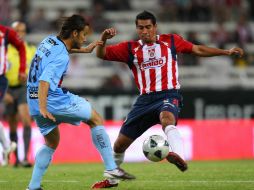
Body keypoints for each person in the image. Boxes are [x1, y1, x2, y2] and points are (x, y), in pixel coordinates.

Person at [96, 11, 244, 177]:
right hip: (144, 100)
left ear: (155, 27)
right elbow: (101, 54)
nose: (144, 31)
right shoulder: (130, 48)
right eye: (140, 28)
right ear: (137, 29)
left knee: (167, 119)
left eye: (148, 27)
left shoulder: (171, 41)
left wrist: (226, 52)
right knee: (119, 146)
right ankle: (112, 174)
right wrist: (103, 40)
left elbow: (197, 49)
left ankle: (179, 156)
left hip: (168, 94)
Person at [26, 15, 133, 190]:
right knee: (95, 119)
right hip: (51, 101)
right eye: (83, 35)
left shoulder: (49, 41)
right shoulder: (62, 57)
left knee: (51, 143)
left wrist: (83, 50)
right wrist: (44, 107)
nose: (85, 39)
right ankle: (112, 169)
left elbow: (58, 53)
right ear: (74, 33)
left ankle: (33, 187)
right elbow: (45, 80)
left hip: (32, 99)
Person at [4, 21, 36, 167]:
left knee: (26, 119)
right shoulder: (5, 50)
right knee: (12, 124)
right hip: (8, 89)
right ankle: (15, 159)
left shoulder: (31, 50)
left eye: (22, 31)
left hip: (24, 88)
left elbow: (38, 71)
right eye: (17, 31)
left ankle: (25, 158)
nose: (20, 34)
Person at [0, 24, 26, 166]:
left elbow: (21, 46)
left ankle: (7, 146)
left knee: (21, 119)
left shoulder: (5, 32)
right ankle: (6, 146)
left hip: (1, 80)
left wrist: (22, 69)